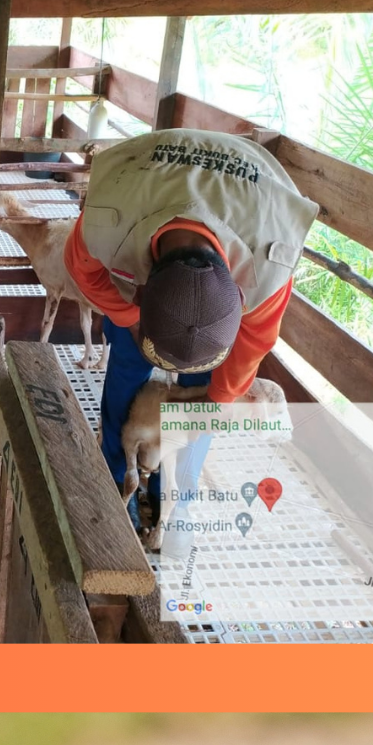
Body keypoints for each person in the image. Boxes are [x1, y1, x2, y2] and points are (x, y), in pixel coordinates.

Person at [63, 127, 319, 527]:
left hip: (246, 196)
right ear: (140, 288)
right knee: (127, 370)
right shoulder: (107, 221)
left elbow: (252, 345)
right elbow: (85, 271)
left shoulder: (269, 264)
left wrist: (215, 404)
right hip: (151, 185)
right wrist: (129, 320)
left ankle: (172, 497)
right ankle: (119, 479)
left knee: (201, 401)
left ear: (239, 303)